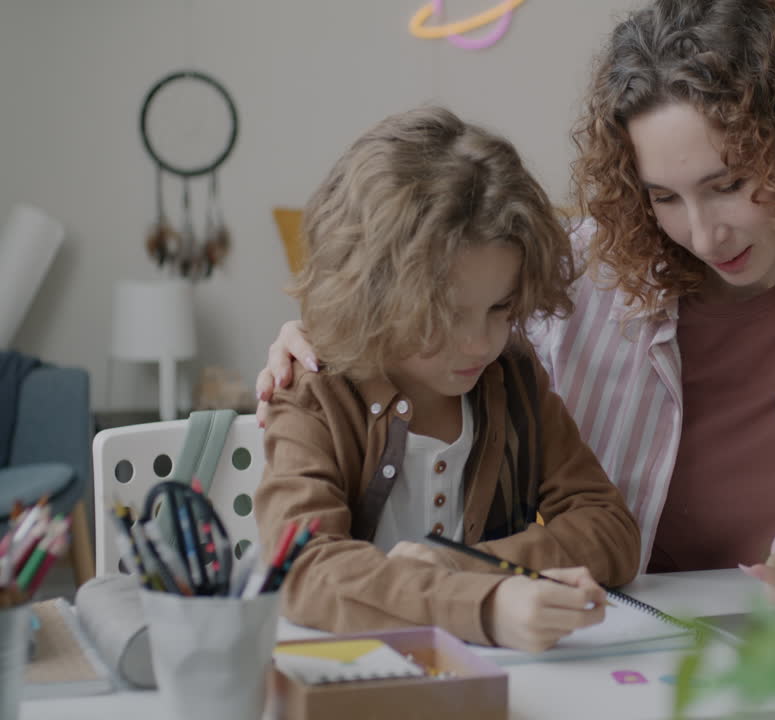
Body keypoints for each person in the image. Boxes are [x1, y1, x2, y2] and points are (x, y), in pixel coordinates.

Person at [257, 0, 775, 603]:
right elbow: (432, 318)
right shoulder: (580, 270)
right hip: (642, 645)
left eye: (728, 184)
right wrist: (321, 331)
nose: (702, 232)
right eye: (665, 196)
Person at [255, 105, 640, 652]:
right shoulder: (315, 390)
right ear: (373, 295)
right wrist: (480, 605)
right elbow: (302, 568)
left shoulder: (513, 378)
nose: (480, 343)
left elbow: (611, 531)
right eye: (445, 315)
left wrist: (475, 564)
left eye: (501, 307)